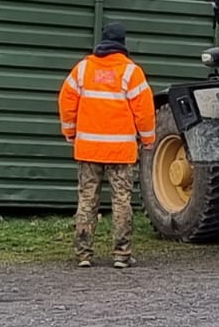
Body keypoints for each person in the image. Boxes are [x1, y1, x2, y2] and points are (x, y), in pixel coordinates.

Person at [58, 23, 157, 269]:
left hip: (88, 149)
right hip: (120, 152)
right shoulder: (131, 72)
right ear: (123, 44)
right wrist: (148, 139)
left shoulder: (83, 69)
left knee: (87, 200)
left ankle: (83, 254)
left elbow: (66, 100)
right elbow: (144, 111)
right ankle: (121, 255)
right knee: (121, 201)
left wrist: (70, 131)